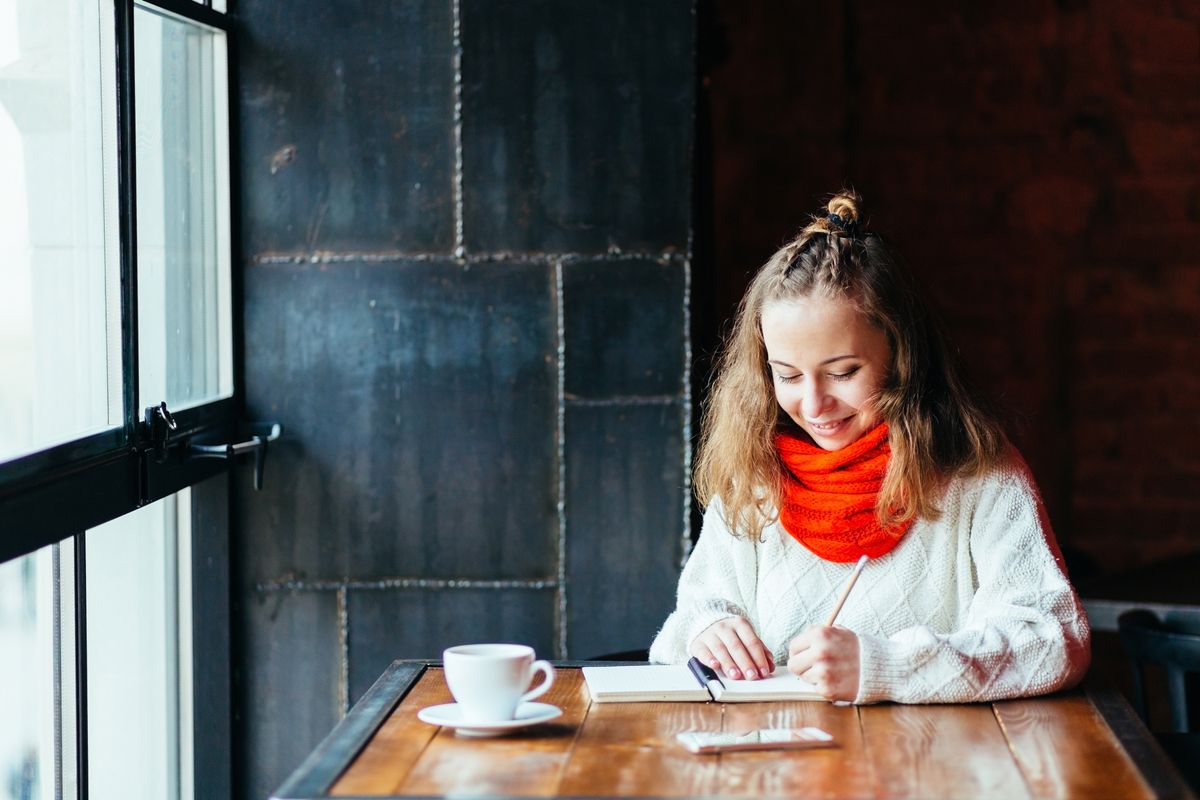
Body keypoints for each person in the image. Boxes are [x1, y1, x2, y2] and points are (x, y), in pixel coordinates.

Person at [648, 190, 1091, 704]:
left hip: (934, 751)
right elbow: (688, 622)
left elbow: (1054, 640)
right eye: (787, 375)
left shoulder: (979, 473)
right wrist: (707, 630)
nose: (813, 404)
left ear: (902, 355)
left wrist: (887, 667)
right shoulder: (755, 477)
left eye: (842, 372)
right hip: (778, 750)